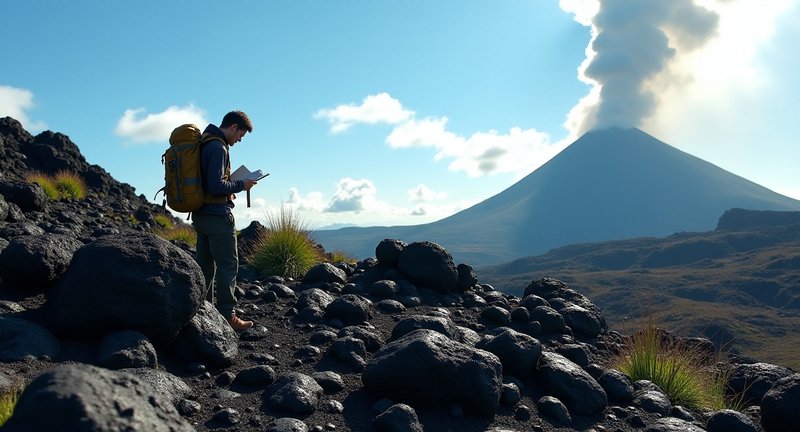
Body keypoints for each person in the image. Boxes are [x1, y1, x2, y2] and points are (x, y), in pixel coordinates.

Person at [192, 110, 256, 331]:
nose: (239, 140)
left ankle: (203, 310)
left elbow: (210, 185)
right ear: (234, 127)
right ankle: (227, 315)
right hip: (218, 217)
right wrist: (241, 185)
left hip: (200, 215)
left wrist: (228, 190)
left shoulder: (203, 143)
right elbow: (216, 185)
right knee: (228, 265)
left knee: (204, 266)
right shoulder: (219, 148)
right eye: (240, 135)